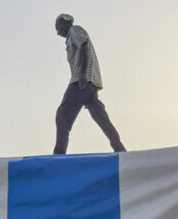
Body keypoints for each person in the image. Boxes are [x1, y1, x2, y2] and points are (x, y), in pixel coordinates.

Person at [53, 13, 126, 155]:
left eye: (58, 27)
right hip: (90, 83)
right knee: (100, 117)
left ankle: (58, 155)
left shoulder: (74, 30)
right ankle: (119, 148)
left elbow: (83, 45)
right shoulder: (71, 35)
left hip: (81, 80)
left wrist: (82, 76)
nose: (57, 32)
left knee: (62, 115)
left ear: (65, 22)